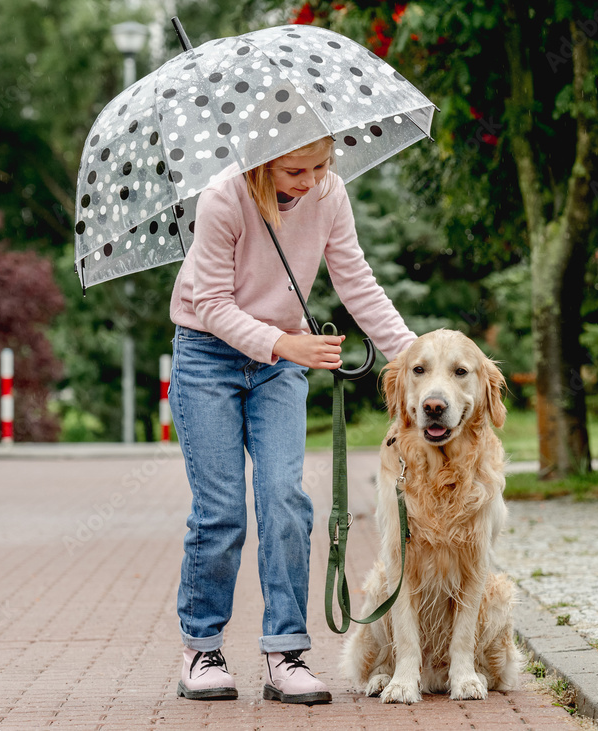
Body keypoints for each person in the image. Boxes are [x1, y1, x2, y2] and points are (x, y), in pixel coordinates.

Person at [167, 135, 416, 705]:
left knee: (284, 499)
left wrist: (412, 357)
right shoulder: (223, 199)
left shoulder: (329, 194)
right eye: (295, 170)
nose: (311, 180)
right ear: (261, 162)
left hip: (279, 366)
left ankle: (285, 653)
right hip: (208, 355)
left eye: (322, 165)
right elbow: (208, 301)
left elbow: (356, 282)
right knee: (221, 510)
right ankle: (201, 649)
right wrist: (282, 342)